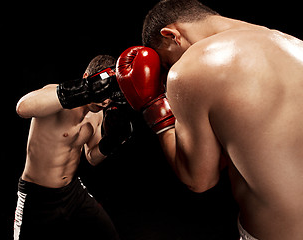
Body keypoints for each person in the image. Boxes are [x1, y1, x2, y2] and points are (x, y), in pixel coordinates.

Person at [115, 0, 303, 239]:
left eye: (167, 62)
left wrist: (153, 107)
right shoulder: (294, 44)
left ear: (171, 35)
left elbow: (199, 179)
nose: (170, 70)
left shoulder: (191, 67)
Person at [14, 55, 131, 240]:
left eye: (110, 95)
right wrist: (86, 89)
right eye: (102, 92)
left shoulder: (97, 113)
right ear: (86, 77)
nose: (105, 101)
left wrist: (112, 142)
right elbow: (22, 108)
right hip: (37, 198)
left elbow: (92, 157)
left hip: (72, 194)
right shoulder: (55, 97)